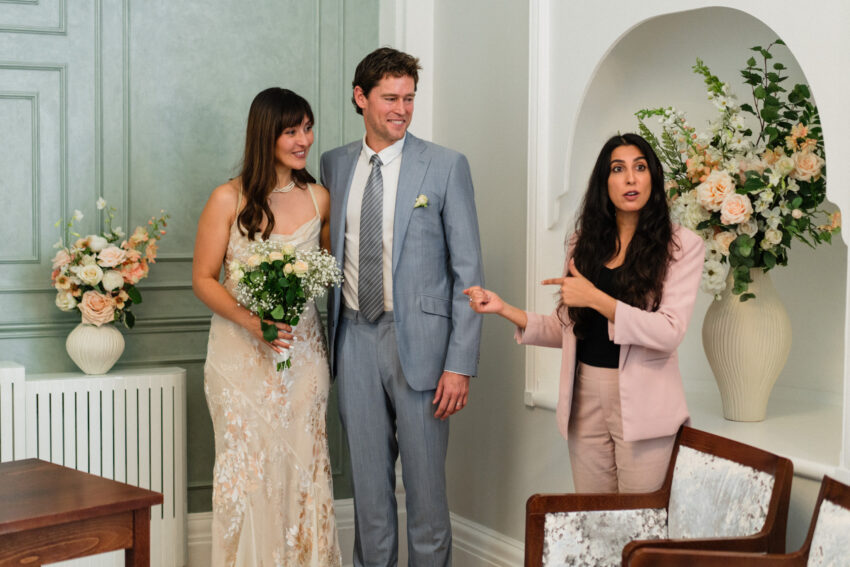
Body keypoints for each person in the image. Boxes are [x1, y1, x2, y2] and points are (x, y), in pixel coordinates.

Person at [466, 133, 704, 494]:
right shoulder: (585, 243)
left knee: (641, 525)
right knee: (594, 520)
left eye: (640, 168)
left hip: (643, 404)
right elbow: (568, 328)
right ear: (604, 182)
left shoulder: (681, 245)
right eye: (618, 169)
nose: (630, 178)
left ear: (652, 178)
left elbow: (669, 331)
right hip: (585, 397)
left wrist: (596, 298)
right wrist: (504, 309)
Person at [320, 47, 483, 566]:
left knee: (426, 497)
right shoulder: (334, 164)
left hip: (425, 351)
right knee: (368, 496)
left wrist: (459, 364)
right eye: (390, 98)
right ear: (360, 97)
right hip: (353, 339)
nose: (401, 109)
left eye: (409, 98)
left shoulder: (446, 165)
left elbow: (469, 273)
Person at [192, 87, 341, 566]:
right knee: (248, 472)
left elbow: (330, 268)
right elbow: (202, 278)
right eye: (292, 130)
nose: (305, 140)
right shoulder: (227, 198)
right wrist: (252, 321)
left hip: (303, 354)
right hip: (240, 355)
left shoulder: (319, 198)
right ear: (266, 135)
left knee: (304, 467)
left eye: (308, 128)